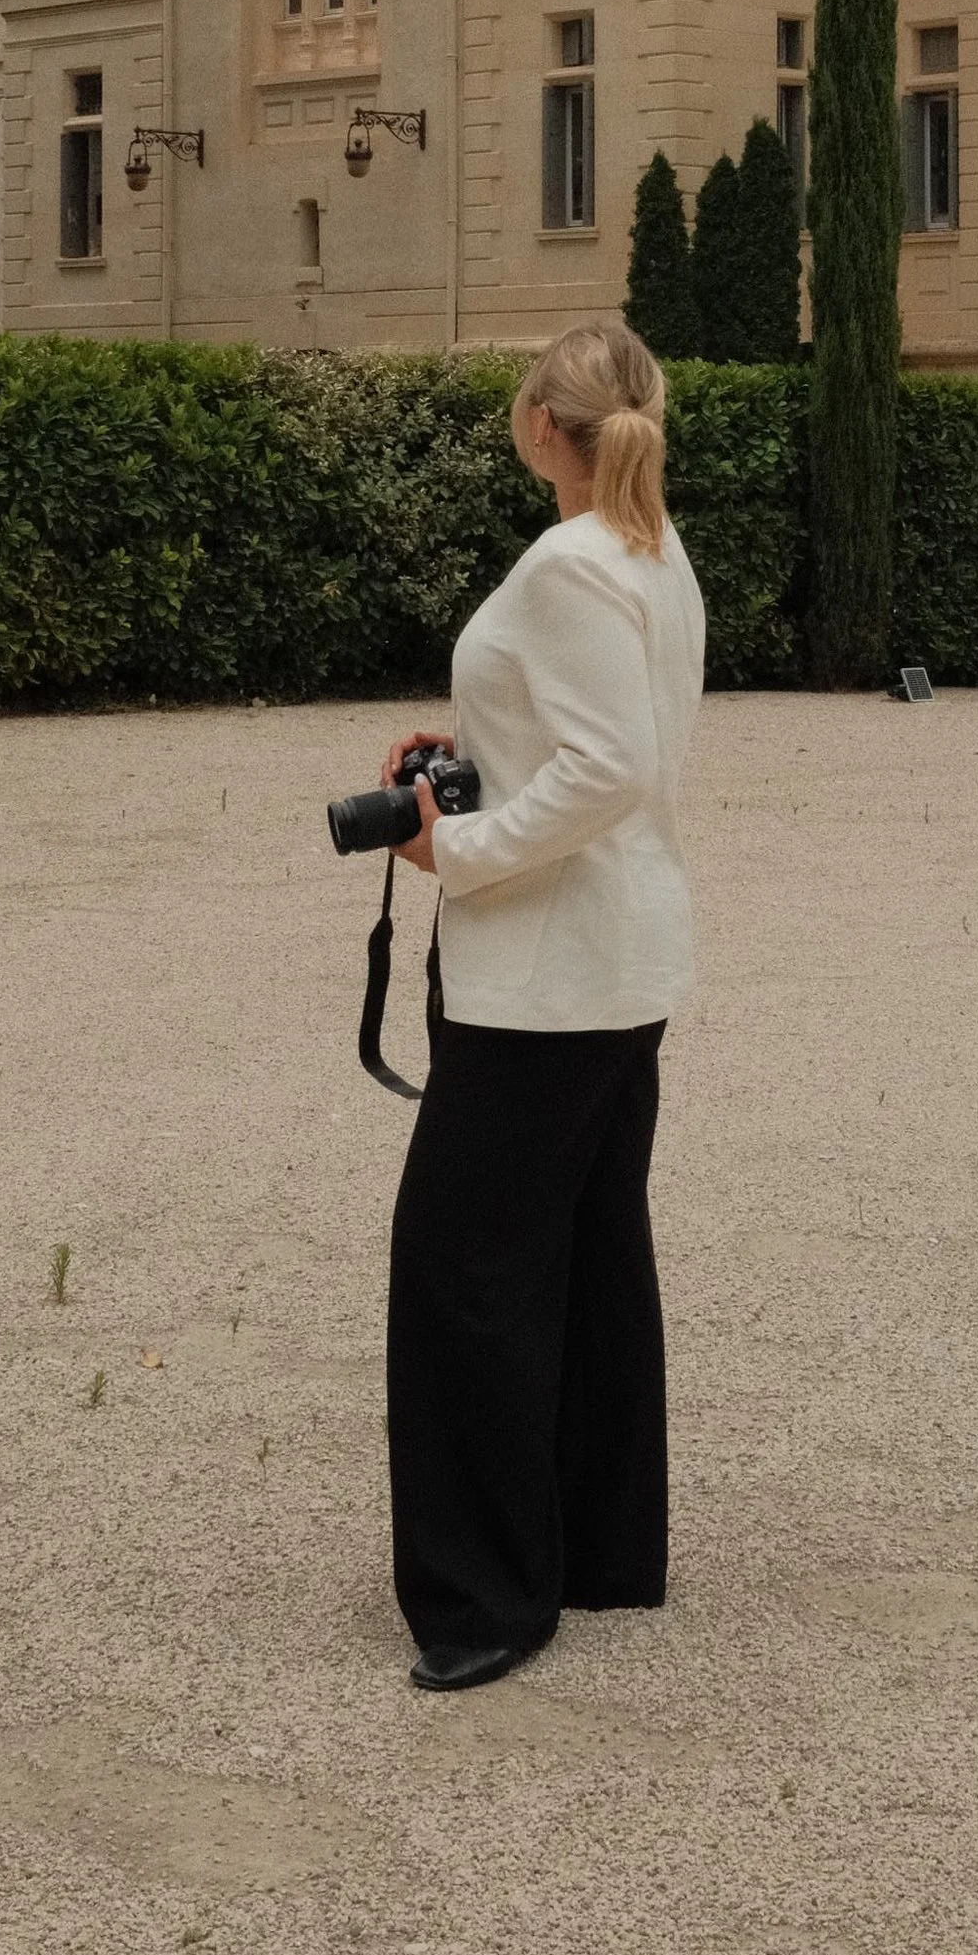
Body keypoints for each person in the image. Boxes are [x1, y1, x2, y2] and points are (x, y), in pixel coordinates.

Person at [378, 314, 707, 1693]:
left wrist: (452, 844)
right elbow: (592, 740)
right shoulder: (651, 547)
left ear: (536, 425)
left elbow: (609, 763)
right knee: (585, 1253)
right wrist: (473, 759)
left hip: (544, 976)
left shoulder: (571, 559)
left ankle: (487, 1595)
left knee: (464, 1272)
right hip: (615, 964)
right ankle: (601, 1549)